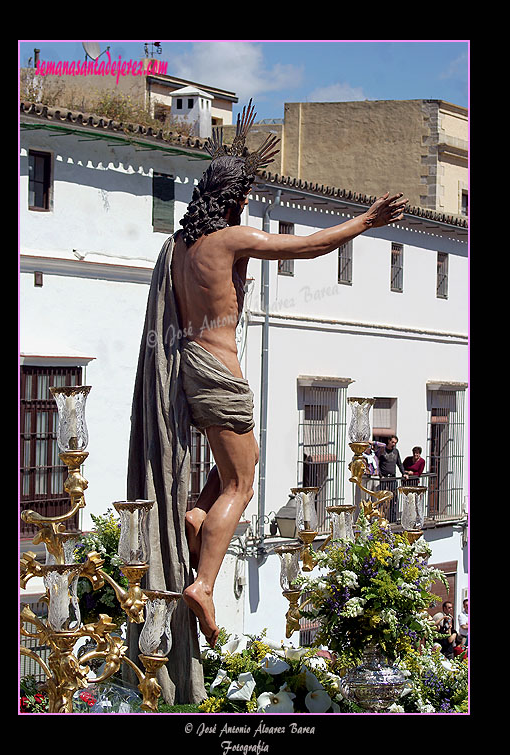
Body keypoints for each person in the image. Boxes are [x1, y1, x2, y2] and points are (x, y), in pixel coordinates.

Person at [127, 99, 408, 699]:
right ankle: (204, 581)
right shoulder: (229, 239)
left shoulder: (177, 249)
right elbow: (306, 247)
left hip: (186, 371)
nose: (248, 204)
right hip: (222, 371)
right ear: (232, 197)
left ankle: (198, 518)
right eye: (246, 194)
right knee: (243, 484)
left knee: (220, 478)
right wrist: (364, 222)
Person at [374, 436, 406, 521]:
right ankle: (380, 517)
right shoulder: (382, 451)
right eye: (392, 442)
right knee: (383, 498)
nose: (394, 444)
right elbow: (377, 463)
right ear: (388, 441)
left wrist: (404, 473)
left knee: (394, 498)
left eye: (395, 443)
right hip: (384, 478)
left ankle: (392, 518)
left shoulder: (396, 452)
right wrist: (380, 475)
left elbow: (399, 463)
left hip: (392, 478)